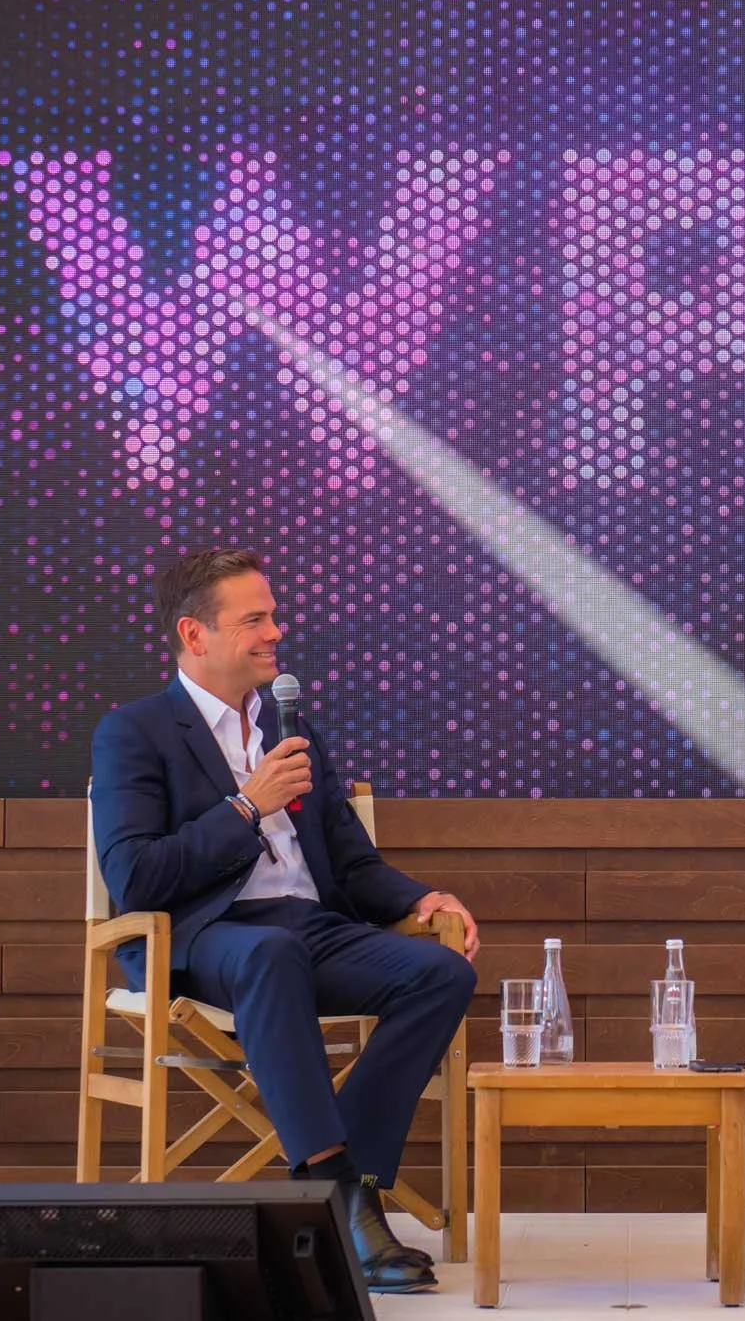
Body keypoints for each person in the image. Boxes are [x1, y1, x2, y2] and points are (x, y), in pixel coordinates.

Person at [89, 548, 480, 1295]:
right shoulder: (135, 732)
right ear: (195, 635)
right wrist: (246, 806)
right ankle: (342, 1195)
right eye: (255, 619)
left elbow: (349, 860)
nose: (277, 631)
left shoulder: (290, 726)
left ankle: (340, 1183)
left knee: (440, 972)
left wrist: (420, 900)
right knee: (269, 953)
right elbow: (134, 876)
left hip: (307, 929)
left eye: (274, 615)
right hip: (201, 936)